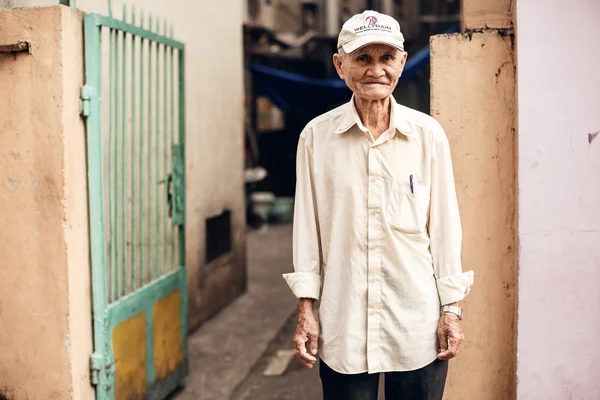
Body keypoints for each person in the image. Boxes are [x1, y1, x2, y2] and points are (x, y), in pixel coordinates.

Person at [282, 10, 475, 400]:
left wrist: (452, 309)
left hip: (415, 321)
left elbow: (444, 226)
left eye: (386, 58)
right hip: (346, 321)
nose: (376, 70)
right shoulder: (317, 137)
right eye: (362, 58)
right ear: (340, 65)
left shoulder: (427, 136)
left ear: (402, 63)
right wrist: (307, 309)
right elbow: (307, 229)